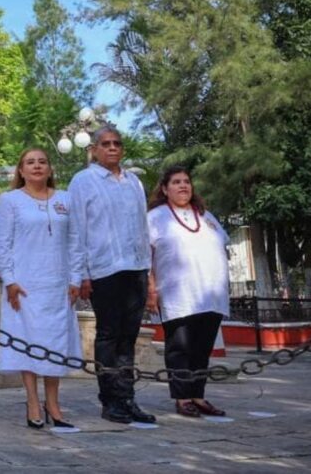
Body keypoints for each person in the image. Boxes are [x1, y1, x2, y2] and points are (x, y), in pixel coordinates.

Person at [66, 125, 157, 424]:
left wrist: (148, 272)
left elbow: (142, 229)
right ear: (94, 148)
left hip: (136, 268)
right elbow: (77, 229)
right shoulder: (83, 181)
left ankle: (127, 398)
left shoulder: (133, 182)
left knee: (128, 338)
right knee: (108, 335)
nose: (112, 148)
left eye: (117, 143)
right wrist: (82, 274)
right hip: (104, 269)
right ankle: (110, 401)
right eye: (105, 144)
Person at [0, 148, 83, 432]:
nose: (36, 166)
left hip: (57, 286)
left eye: (42, 161)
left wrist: (75, 280)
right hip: (24, 286)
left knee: (54, 344)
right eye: (30, 162)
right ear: (20, 170)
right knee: (28, 342)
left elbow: (76, 243)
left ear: (50, 168)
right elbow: (2, 244)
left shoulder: (66, 199)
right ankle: (32, 402)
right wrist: (9, 280)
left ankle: (53, 405)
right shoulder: (10, 200)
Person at [147, 166, 230, 418]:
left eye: (186, 181)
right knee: (180, 347)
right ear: (164, 188)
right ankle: (182, 398)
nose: (183, 186)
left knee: (202, 348)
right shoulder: (155, 217)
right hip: (177, 295)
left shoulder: (206, 216)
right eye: (176, 182)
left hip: (210, 294)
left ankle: (198, 395)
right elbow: (146, 255)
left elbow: (222, 244)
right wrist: (150, 289)